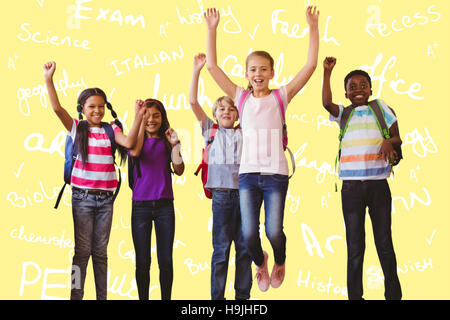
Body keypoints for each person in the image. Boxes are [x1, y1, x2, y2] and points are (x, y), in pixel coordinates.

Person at [204, 6, 319, 292]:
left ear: (271, 72)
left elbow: (310, 67)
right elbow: (212, 68)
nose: (258, 74)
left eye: (263, 69)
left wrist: (312, 27)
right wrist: (212, 29)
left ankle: (279, 260)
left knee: (274, 230)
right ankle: (261, 261)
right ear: (246, 73)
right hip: (248, 176)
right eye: (253, 69)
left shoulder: (281, 96)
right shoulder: (241, 97)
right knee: (248, 234)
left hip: (275, 175)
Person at [43, 61, 145, 300]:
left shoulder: (111, 130)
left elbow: (130, 143)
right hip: (82, 199)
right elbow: (57, 109)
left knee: (100, 253)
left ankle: (102, 297)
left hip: (106, 201)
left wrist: (138, 116)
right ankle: (76, 296)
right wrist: (49, 79)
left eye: (101, 106)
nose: (97, 111)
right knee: (82, 252)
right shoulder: (77, 128)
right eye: (91, 107)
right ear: (82, 108)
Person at [322, 56, 403, 300]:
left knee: (384, 243)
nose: (358, 90)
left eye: (363, 86)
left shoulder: (381, 108)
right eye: (352, 87)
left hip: (379, 186)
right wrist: (327, 73)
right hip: (351, 189)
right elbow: (326, 103)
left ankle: (394, 295)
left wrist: (389, 140)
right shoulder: (343, 114)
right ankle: (355, 296)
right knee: (355, 246)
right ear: (346, 93)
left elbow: (398, 138)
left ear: (371, 89)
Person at [189, 53, 252, 299]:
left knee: (245, 249)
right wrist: (196, 71)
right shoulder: (210, 130)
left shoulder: (245, 131)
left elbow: (252, 106)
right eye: (221, 108)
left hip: (246, 195)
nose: (226, 111)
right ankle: (217, 298)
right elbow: (193, 101)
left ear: (238, 115)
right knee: (221, 250)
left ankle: (242, 298)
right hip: (222, 196)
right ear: (215, 114)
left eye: (231, 109)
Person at [128, 98, 184, 300]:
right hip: (140, 207)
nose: (151, 119)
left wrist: (175, 144)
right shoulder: (135, 139)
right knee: (142, 261)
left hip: (164, 207)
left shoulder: (168, 141)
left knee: (166, 260)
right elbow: (134, 152)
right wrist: (139, 119)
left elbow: (179, 170)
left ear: (163, 117)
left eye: (156, 115)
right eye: (147, 115)